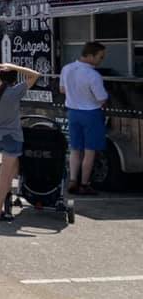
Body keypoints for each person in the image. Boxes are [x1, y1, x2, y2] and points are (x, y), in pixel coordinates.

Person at [0, 62, 41, 221]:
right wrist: (14, 66)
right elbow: (36, 75)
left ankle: (9, 196)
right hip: (12, 138)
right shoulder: (15, 91)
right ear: (14, 79)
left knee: (14, 167)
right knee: (5, 178)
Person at [60, 42, 108, 195]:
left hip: (72, 112)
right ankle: (84, 183)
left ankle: (73, 180)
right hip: (91, 113)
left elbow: (62, 89)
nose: (101, 60)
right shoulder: (93, 75)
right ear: (91, 56)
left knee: (75, 149)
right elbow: (101, 98)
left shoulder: (67, 68)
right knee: (89, 151)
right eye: (100, 57)